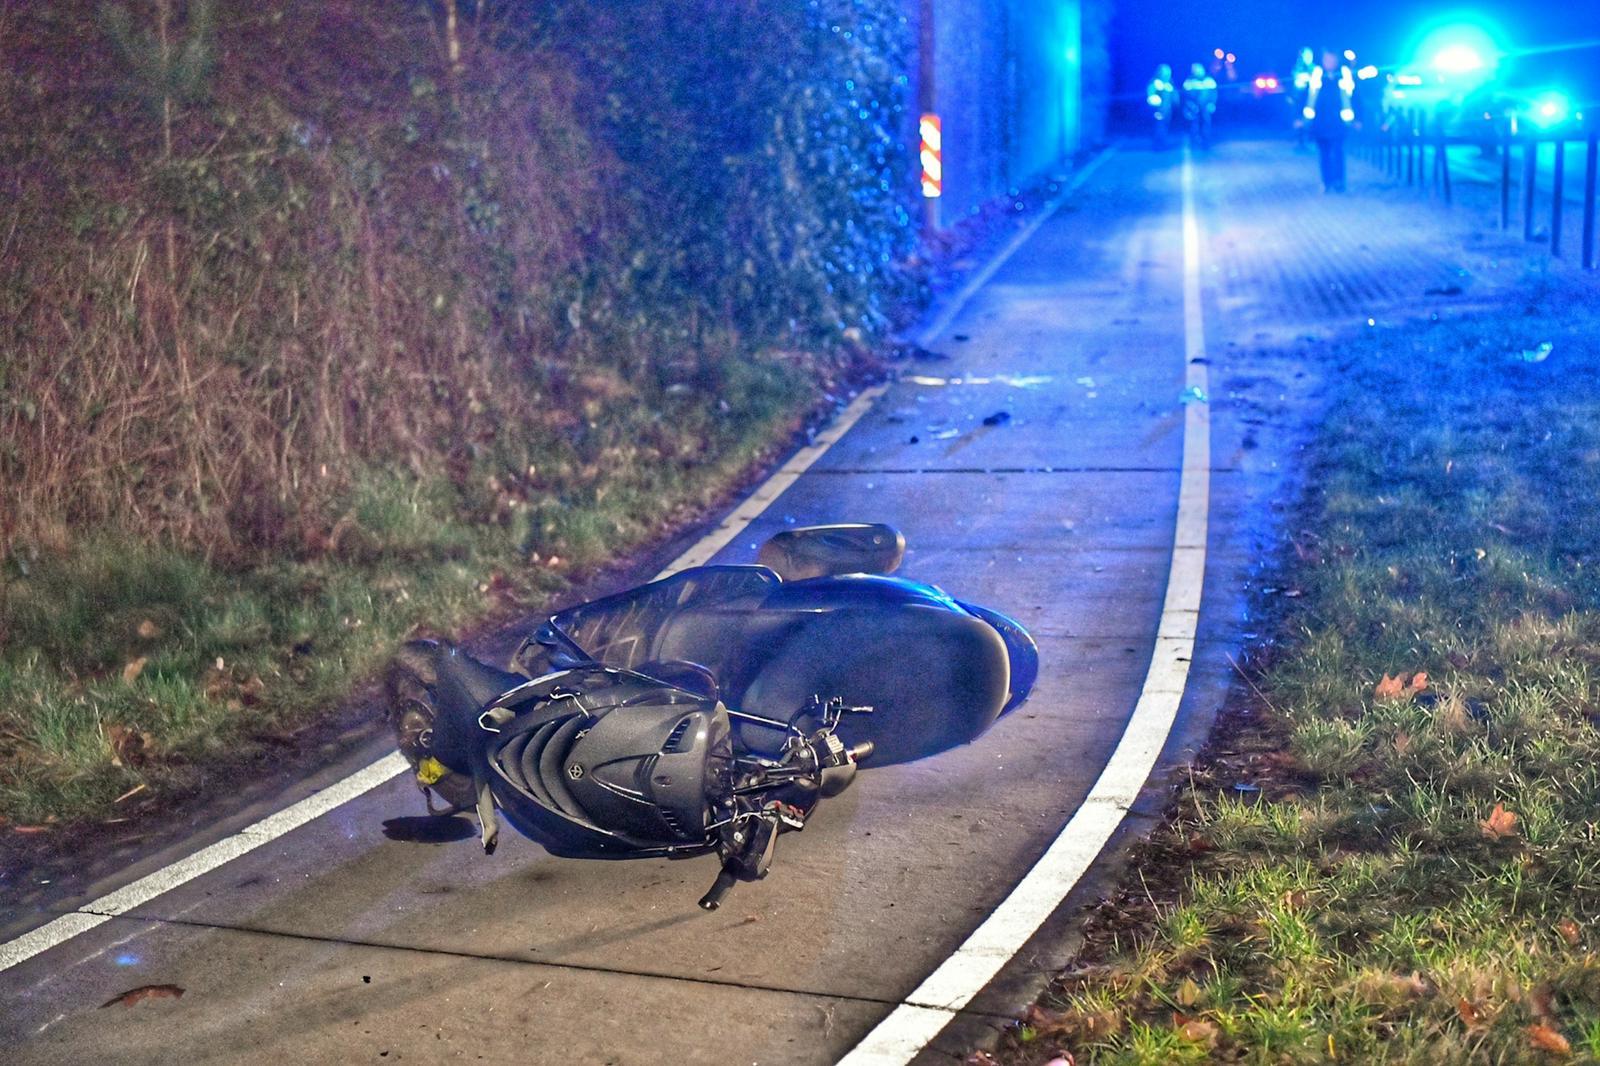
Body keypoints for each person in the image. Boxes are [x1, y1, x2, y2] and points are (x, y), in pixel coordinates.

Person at [1304, 49, 1355, 192]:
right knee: (1324, 154)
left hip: (1339, 122)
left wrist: (1358, 118)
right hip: (1320, 123)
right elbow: (1306, 97)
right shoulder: (1317, 75)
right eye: (1327, 60)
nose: (1330, 63)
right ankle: (1326, 182)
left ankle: (1339, 182)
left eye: (1332, 60)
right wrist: (1300, 118)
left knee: (1338, 152)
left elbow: (1355, 96)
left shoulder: (1344, 75)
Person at [1181, 62, 1218, 149]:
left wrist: (1212, 104)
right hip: (1193, 108)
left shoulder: (1209, 80)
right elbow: (1185, 96)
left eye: (1197, 69)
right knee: (1194, 125)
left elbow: (1214, 94)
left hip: (1206, 107)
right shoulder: (1189, 81)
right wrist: (1189, 106)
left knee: (1206, 124)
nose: (1196, 71)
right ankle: (1194, 143)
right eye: (1194, 69)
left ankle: (1205, 143)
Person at [1290, 46, 1316, 149]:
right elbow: (1295, 81)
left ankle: (1309, 139)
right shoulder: (1298, 67)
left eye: (1310, 55)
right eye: (1306, 55)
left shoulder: (1314, 68)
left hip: (1310, 98)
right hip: (1299, 97)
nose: (1308, 57)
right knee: (1298, 119)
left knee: (1309, 119)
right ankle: (1299, 140)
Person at [1146, 64, 1176, 149]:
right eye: (1165, 72)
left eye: (1168, 72)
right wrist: (1155, 108)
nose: (1167, 74)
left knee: (1164, 126)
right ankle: (1158, 145)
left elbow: (1173, 96)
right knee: (1159, 126)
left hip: (1167, 109)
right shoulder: (1155, 83)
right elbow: (1151, 95)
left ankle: (1163, 143)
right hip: (1158, 109)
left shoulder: (1169, 83)